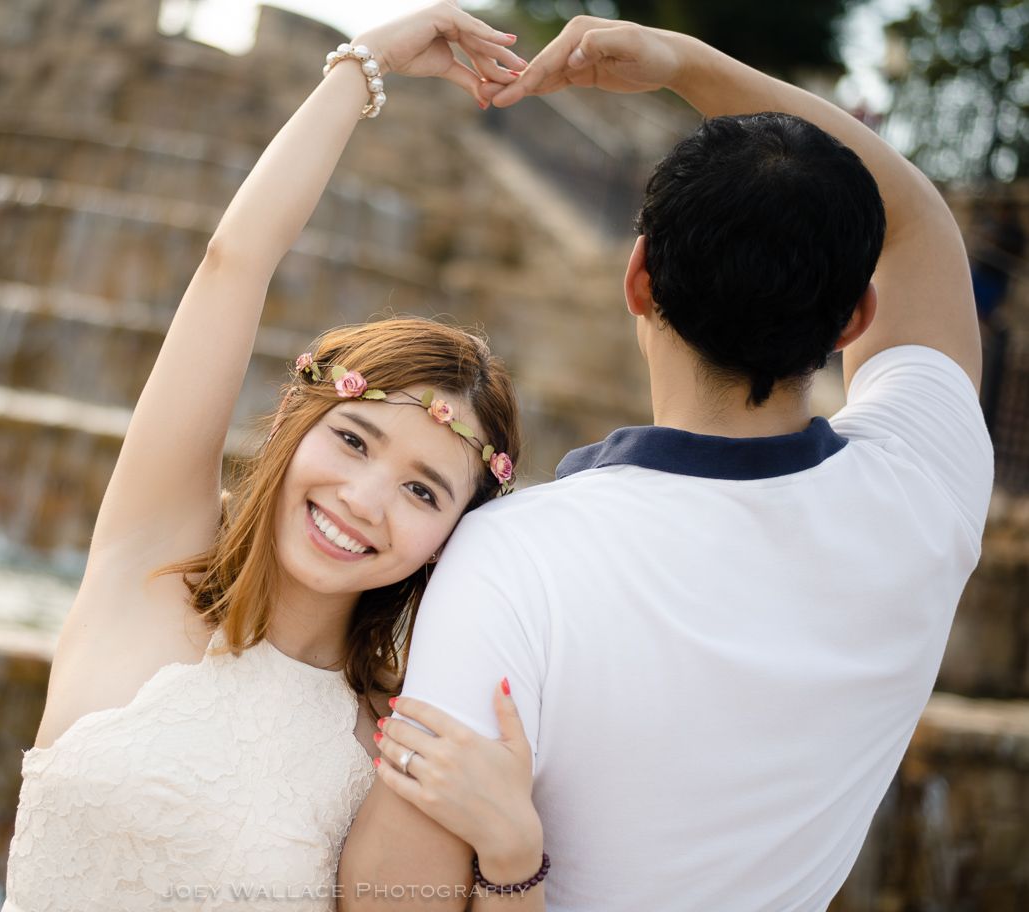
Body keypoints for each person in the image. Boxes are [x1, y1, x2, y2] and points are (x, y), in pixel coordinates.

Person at [340, 14, 994, 912]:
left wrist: (681, 64)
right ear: (852, 320)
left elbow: (394, 897)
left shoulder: (513, 557)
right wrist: (689, 64)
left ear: (638, 276)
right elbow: (919, 225)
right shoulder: (928, 490)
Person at [0, 4, 537, 910]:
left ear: (455, 533)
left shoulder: (401, 741)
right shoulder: (149, 562)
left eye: (422, 490)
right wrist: (362, 65)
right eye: (354, 440)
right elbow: (233, 262)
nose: (363, 498)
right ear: (296, 419)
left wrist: (515, 854)